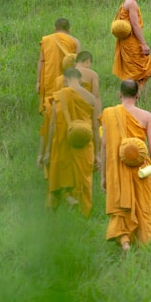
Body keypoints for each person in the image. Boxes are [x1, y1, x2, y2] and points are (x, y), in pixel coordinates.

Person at [99, 79, 151, 253]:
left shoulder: (109, 114)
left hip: (118, 169)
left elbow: (104, 146)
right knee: (142, 206)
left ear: (119, 95)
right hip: (141, 170)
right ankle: (142, 242)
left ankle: (125, 241)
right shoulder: (146, 116)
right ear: (138, 95)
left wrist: (104, 175)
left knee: (121, 205)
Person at [38, 68, 99, 215]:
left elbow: (52, 124)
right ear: (80, 79)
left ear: (65, 79)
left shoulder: (59, 96)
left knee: (61, 172)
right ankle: (84, 213)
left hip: (62, 141)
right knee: (83, 178)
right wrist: (98, 152)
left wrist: (46, 151)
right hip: (84, 140)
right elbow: (96, 124)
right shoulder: (90, 98)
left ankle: (61, 203)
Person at [36, 18, 79, 144]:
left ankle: (51, 140)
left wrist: (38, 82)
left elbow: (41, 61)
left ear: (55, 29)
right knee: (66, 108)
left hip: (49, 81)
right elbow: (78, 64)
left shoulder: (47, 40)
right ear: (69, 30)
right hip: (67, 81)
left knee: (50, 111)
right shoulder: (74, 41)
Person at [112, 0, 151, 86]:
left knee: (135, 73)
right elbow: (135, 25)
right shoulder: (132, 4)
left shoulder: (125, 3)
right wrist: (144, 44)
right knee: (145, 69)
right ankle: (133, 97)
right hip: (132, 43)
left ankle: (131, 96)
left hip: (126, 43)